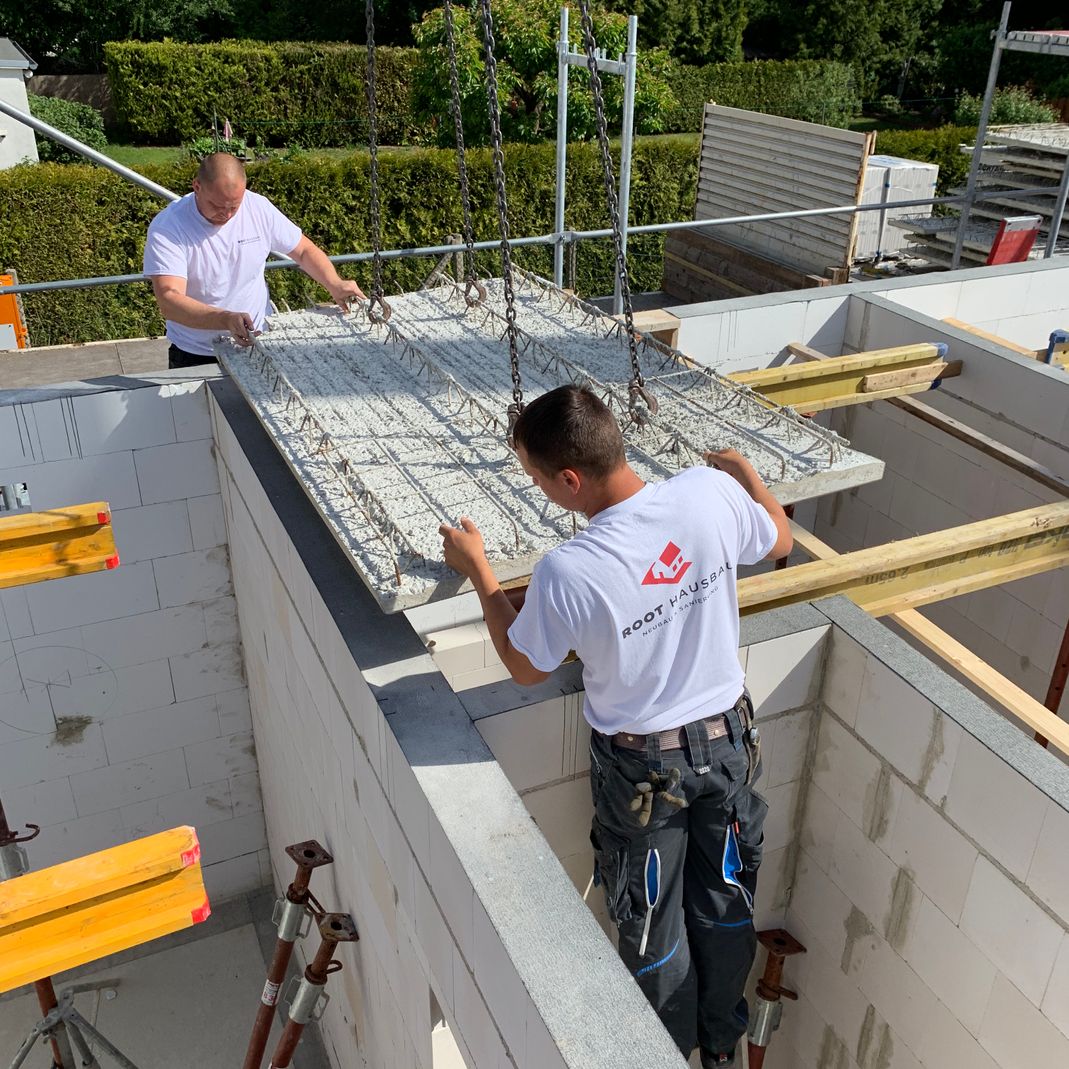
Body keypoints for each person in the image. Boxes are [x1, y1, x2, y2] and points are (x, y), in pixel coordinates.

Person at [439, 384, 792, 1068]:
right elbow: (777, 537)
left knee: (652, 926)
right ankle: (721, 1049)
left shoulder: (569, 570)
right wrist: (747, 475)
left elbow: (523, 664)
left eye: (537, 479)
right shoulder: (706, 494)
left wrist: (478, 569)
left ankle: (663, 1053)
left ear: (569, 478)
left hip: (644, 774)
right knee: (724, 904)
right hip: (727, 747)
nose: (538, 489)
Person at [143, 152, 365, 369]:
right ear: (197, 187)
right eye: (218, 206)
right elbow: (169, 300)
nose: (227, 215)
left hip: (258, 340)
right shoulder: (169, 227)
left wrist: (334, 283)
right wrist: (225, 319)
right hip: (197, 353)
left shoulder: (258, 207)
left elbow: (304, 250)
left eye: (234, 206)